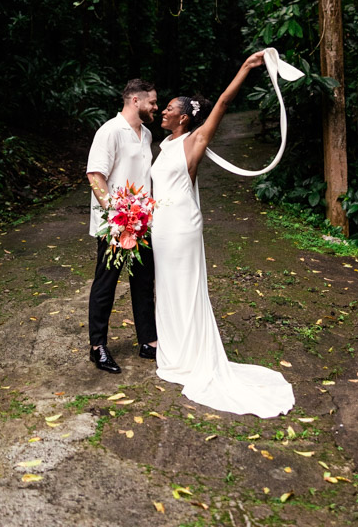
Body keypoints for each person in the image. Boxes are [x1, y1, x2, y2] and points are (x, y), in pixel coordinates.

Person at [151, 52, 295, 416]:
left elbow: (225, 101)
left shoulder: (195, 140)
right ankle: (175, 350)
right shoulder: (163, 146)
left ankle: (193, 355)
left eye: (169, 108)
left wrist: (246, 68)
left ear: (183, 117)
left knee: (185, 286)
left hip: (182, 226)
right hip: (160, 226)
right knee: (166, 287)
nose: (163, 112)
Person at [86, 78, 159, 373]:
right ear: (135, 101)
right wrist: (116, 218)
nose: (156, 107)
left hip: (143, 222)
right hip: (114, 225)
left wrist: (141, 218)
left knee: (143, 281)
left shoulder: (146, 134)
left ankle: (148, 341)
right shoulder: (110, 131)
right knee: (106, 283)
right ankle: (97, 347)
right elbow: (95, 176)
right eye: (152, 102)